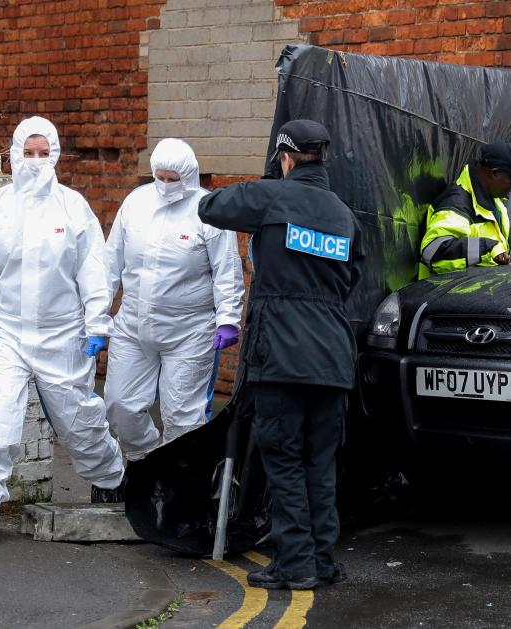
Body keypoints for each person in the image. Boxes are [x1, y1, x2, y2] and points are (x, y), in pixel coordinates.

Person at [198, 119, 365, 591]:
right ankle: (322, 558)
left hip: (283, 356)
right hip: (332, 356)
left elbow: (211, 207)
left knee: (285, 459)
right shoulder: (342, 215)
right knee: (320, 460)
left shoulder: (273, 196)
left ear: (285, 157)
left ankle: (295, 563)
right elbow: (353, 276)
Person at [0, 116, 124, 545]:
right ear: (13, 154)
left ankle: (110, 479)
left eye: (43, 154)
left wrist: (97, 322)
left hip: (62, 335)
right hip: (8, 334)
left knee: (79, 421)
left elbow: (92, 270)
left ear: (56, 155)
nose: (34, 162)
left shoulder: (72, 206)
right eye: (27, 153)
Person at [94, 138, 244, 467]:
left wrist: (228, 319)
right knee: (119, 405)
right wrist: (96, 315)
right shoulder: (136, 204)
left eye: (172, 179)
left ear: (188, 176)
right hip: (134, 323)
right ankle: (144, 462)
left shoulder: (208, 211)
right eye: (159, 177)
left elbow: (226, 270)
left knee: (182, 416)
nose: (165, 185)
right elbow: (110, 263)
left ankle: (178, 483)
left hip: (190, 330)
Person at [419, 140, 511, 276]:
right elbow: (432, 252)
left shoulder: (495, 204)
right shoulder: (456, 205)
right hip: (449, 295)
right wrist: (486, 248)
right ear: (495, 173)